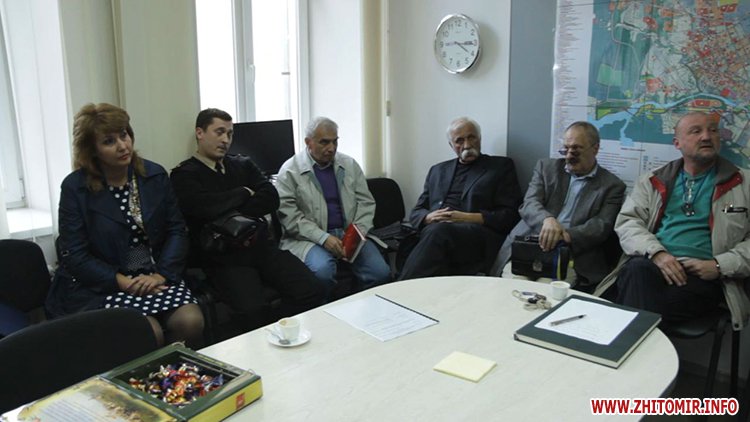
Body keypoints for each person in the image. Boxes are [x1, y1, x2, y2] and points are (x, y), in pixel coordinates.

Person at [46, 103, 204, 347]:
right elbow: (74, 254)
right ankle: (147, 372)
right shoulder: (75, 188)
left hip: (155, 274)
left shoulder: (154, 175)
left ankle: (174, 370)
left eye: (124, 135)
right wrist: (121, 281)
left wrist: (161, 274)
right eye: (109, 141)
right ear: (92, 150)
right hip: (105, 283)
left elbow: (176, 231)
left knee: (191, 322)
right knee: (147, 332)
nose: (123, 145)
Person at [170, 108, 326, 331]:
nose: (226, 140)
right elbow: (203, 208)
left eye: (230, 134)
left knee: (312, 289)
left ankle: (279, 331)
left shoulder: (242, 164)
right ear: (200, 133)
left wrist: (226, 209)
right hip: (224, 256)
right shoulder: (184, 174)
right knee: (253, 311)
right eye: (219, 132)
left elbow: (270, 197)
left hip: (260, 246)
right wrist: (243, 192)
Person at [595, 111, 750, 327]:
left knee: (633, 301)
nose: (706, 136)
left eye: (713, 130)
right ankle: (639, 337)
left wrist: (718, 265)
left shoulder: (743, 183)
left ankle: (626, 338)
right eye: (696, 131)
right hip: (653, 268)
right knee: (637, 271)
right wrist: (657, 254)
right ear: (677, 143)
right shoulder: (652, 181)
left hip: (705, 278)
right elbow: (628, 223)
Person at [492, 121, 626, 291]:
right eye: (565, 149)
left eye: (576, 149)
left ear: (595, 148)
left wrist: (566, 235)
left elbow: (601, 226)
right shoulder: (546, 168)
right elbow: (530, 203)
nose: (569, 155)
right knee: (515, 287)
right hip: (528, 246)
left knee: (546, 291)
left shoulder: (612, 186)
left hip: (571, 255)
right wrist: (547, 220)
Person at [276, 117, 391, 297]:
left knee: (380, 273)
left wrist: (356, 234)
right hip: (309, 238)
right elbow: (291, 218)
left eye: (335, 141)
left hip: (349, 233)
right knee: (323, 272)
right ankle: (324, 311)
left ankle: (363, 309)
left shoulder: (349, 165)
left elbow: (366, 203)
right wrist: (323, 238)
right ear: (308, 142)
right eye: (324, 142)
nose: (331, 148)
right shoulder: (289, 171)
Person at [398, 117, 523, 280]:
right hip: (436, 235)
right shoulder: (437, 170)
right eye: (459, 140)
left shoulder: (500, 167)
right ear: (451, 145)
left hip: (478, 236)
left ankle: (401, 287)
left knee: (438, 232)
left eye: (471, 137)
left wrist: (465, 217)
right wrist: (428, 217)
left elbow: (510, 215)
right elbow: (416, 212)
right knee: (430, 237)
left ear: (480, 138)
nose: (467, 145)